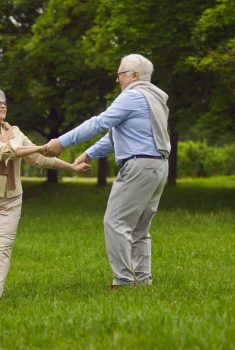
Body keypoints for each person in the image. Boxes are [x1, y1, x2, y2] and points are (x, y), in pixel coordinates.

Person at [45, 54, 170, 289]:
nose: (117, 80)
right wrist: (89, 153)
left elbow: (98, 123)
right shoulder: (155, 100)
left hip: (139, 166)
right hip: (158, 166)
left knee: (115, 223)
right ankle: (143, 282)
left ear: (135, 75)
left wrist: (61, 142)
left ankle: (123, 282)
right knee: (140, 229)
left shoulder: (132, 96)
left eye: (120, 74)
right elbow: (117, 134)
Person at [0, 86, 92, 304]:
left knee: (1, 247)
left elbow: (39, 159)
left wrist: (71, 167)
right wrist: (37, 147)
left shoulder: (15, 131)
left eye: (4, 101)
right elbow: (2, 152)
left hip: (12, 198)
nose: (3, 105)